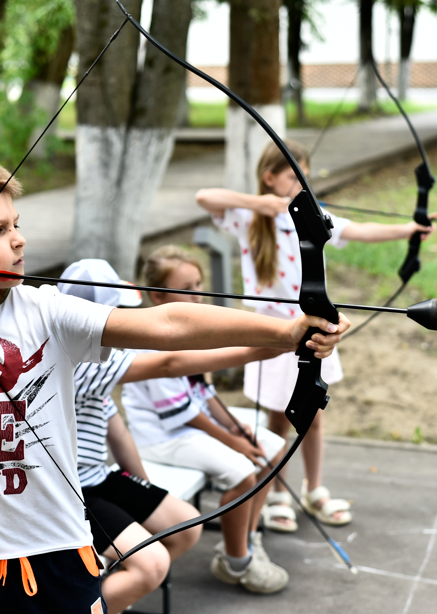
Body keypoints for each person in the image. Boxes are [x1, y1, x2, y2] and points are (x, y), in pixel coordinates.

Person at [0, 156, 349, 614]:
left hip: (51, 554)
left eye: (16, 225)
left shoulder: (48, 311)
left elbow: (168, 323)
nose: (18, 239)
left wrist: (287, 331)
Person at [195, 139, 437, 534]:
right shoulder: (247, 217)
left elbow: (358, 229)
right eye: (292, 176)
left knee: (313, 415)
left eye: (303, 176)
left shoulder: (314, 216)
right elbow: (205, 197)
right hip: (271, 331)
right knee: (276, 417)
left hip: (312, 326)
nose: (300, 184)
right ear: (269, 178)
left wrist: (408, 228)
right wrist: (261, 204)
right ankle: (274, 495)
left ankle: (314, 487)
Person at [59, 259, 284, 612]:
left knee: (185, 527)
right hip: (75, 490)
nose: (120, 317)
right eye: (114, 310)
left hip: (99, 477)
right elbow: (169, 364)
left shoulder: (96, 360)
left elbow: (116, 430)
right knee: (151, 566)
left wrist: (145, 491)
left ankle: (108, 591)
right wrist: (270, 345)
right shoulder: (77, 360)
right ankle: (93, 600)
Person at [121, 246, 292, 595]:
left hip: (188, 425)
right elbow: (181, 412)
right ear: (157, 295)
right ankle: (236, 560)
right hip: (162, 436)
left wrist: (233, 425)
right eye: (187, 287)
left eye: (199, 284)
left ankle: (248, 535)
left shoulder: (190, 332)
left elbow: (203, 391)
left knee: (273, 449)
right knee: (243, 472)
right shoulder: (151, 339)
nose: (197, 295)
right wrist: (233, 441)